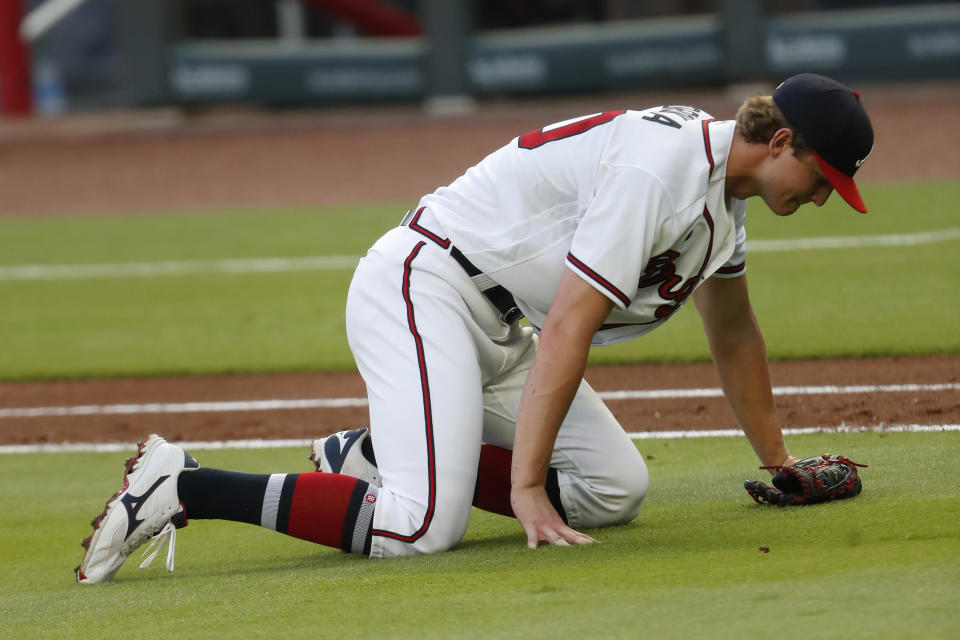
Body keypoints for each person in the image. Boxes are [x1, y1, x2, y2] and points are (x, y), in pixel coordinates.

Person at [75, 73, 874, 583]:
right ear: (779, 143)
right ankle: (183, 485)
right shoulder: (658, 173)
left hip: (500, 324)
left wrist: (781, 461)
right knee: (421, 529)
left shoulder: (721, 206)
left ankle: (373, 453)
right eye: (823, 176)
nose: (825, 196)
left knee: (613, 490)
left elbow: (736, 337)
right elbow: (570, 325)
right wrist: (523, 485)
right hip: (427, 287)